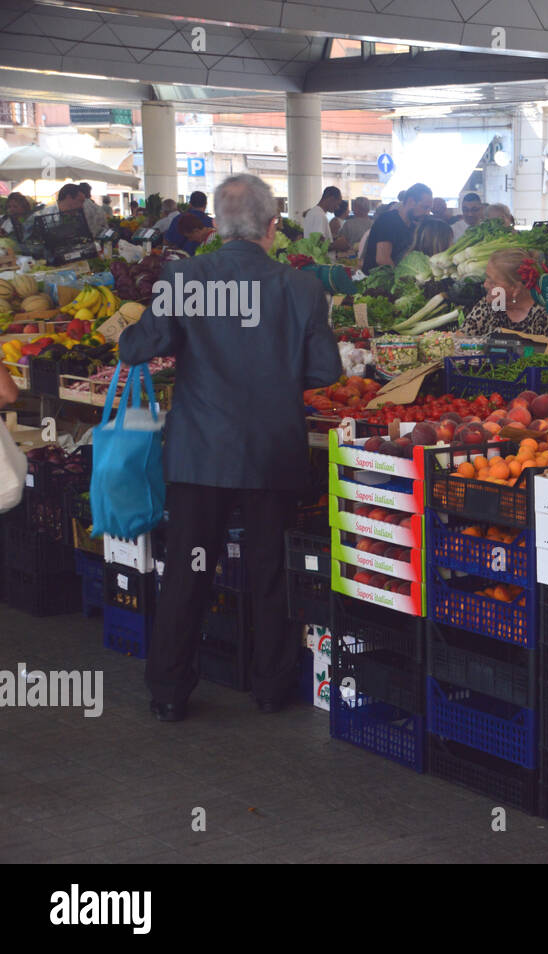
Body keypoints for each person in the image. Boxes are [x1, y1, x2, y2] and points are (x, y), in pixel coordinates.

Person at [117, 173, 342, 722]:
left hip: (201, 453)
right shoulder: (302, 287)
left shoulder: (184, 277)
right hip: (272, 451)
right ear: (273, 227)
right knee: (269, 570)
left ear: (216, 227)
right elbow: (324, 370)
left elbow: (135, 348)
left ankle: (170, 691)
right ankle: (270, 688)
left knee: (189, 570)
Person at [459, 248, 548, 337]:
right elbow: (461, 337)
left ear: (516, 289)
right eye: (486, 278)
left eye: (493, 282)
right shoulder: (489, 305)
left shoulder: (544, 316)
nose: (485, 285)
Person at [362, 183, 433, 273]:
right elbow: (382, 259)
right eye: (425, 207)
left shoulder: (413, 225)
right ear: (411, 201)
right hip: (378, 281)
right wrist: (401, 279)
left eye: (429, 208)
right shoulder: (388, 220)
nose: (427, 213)